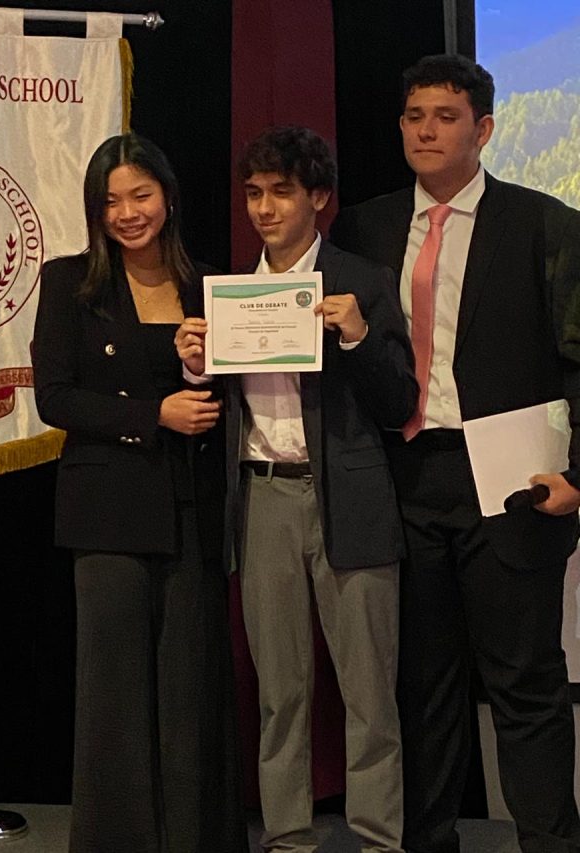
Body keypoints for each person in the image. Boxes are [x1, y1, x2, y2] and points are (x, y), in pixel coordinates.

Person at [331, 53, 580, 853]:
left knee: (525, 684)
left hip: (514, 480)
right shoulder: (364, 228)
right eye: (414, 116)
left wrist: (577, 475)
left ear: (485, 129)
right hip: (404, 475)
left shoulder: (545, 224)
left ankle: (549, 843)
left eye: (445, 116)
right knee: (423, 687)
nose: (426, 131)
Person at [176, 125, 418, 853]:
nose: (264, 208)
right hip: (263, 498)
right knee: (280, 692)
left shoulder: (360, 279)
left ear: (318, 197)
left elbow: (399, 402)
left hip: (351, 500)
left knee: (369, 692)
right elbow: (216, 411)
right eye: (254, 193)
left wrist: (357, 337)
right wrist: (195, 365)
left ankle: (379, 840)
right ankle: (286, 839)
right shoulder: (230, 293)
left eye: (280, 192)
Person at [32, 132, 248, 853]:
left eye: (140, 195)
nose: (127, 213)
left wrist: (196, 375)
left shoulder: (208, 286)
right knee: (115, 695)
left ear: (169, 197)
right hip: (107, 515)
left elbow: (223, 399)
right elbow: (56, 398)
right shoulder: (69, 283)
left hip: (191, 511)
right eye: (111, 201)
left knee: (191, 692)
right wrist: (153, 414)